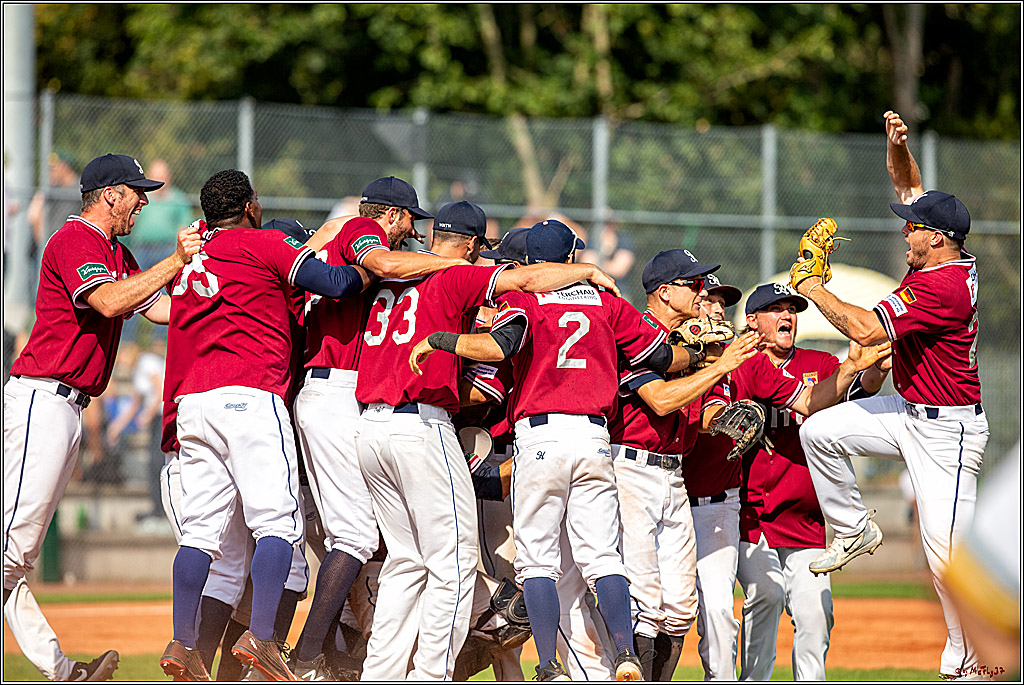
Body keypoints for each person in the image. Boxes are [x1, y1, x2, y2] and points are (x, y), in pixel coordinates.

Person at [408, 221, 699, 681]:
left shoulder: (523, 298)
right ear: (568, 260)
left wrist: (441, 340)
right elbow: (660, 358)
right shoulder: (609, 302)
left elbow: (498, 346)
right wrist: (703, 356)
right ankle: (625, 653)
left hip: (541, 438)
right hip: (595, 438)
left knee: (537, 561)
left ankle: (547, 666)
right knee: (604, 556)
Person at [356, 211, 620, 680]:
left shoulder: (393, 274)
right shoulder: (456, 274)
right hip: (420, 424)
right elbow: (530, 279)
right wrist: (588, 270)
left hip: (370, 427)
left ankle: (381, 675)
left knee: (405, 562)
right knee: (455, 563)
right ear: (473, 247)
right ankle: (429, 676)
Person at [794, 110, 989, 679]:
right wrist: (897, 147)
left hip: (947, 433)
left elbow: (864, 331)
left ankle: (971, 661)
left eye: (913, 227)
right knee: (820, 430)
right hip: (909, 411)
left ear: (937, 239)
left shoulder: (945, 287)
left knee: (946, 557)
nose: (905, 230)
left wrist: (811, 288)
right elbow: (909, 187)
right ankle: (855, 529)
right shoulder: (941, 255)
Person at [160, 169, 370, 681]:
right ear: (251, 204)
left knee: (200, 535)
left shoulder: (192, 257)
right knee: (279, 524)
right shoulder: (265, 242)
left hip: (193, 403)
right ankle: (262, 638)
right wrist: (370, 266)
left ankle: (183, 643)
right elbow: (336, 283)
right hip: (249, 394)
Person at [4, 153, 200, 682]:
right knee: (9, 553)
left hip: (67, 408)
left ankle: (64, 672)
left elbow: (158, 308)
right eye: (136, 191)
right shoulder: (75, 240)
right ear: (109, 193)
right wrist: (175, 262)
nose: (144, 200)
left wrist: (219, 293)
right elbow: (111, 302)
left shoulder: (117, 250)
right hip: (41, 400)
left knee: (15, 558)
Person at [289, 178, 463, 679]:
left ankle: (328, 651)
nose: (412, 229)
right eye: (409, 218)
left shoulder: (332, 239)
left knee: (365, 533)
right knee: (359, 533)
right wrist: (456, 263)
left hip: (328, 391)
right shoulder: (365, 228)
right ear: (390, 214)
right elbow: (383, 264)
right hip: (337, 389)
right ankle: (307, 656)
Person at [607, 251, 759, 681]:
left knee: (679, 607)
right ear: (664, 292)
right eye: (691, 284)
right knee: (647, 601)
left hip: (673, 474)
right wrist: (723, 364)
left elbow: (700, 408)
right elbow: (661, 399)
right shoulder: (637, 336)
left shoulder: (686, 346)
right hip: (632, 471)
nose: (700, 291)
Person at [733, 283, 888, 681]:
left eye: (792, 308)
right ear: (752, 321)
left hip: (804, 519)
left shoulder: (818, 362)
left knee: (816, 614)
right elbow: (810, 401)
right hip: (754, 516)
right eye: (775, 309)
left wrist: (873, 368)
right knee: (764, 598)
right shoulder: (743, 365)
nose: (787, 315)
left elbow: (857, 393)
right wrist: (851, 369)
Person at [685, 273, 748, 680]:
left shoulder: (738, 359)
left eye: (721, 303)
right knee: (654, 611)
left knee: (720, 610)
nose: (717, 309)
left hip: (717, 507)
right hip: (663, 496)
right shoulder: (666, 355)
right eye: (708, 300)